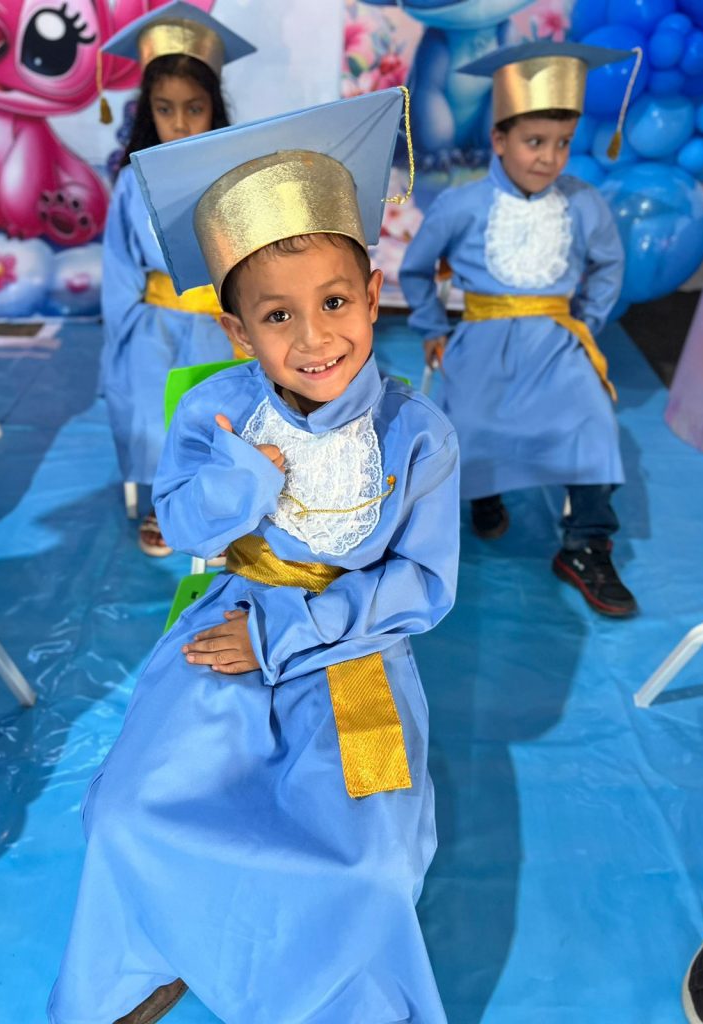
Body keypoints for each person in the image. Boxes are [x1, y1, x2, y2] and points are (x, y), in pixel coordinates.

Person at [48, 88, 460, 1024]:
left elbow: (422, 588)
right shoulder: (215, 409)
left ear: (372, 294)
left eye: (336, 302)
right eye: (276, 317)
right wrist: (246, 470)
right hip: (225, 625)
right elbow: (189, 530)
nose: (315, 338)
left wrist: (286, 635)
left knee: (373, 860)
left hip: (356, 653)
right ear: (238, 332)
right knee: (129, 811)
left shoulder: (419, 432)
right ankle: (151, 956)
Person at [400, 40, 640, 618]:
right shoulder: (462, 205)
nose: (549, 158)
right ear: (500, 140)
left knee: (593, 420)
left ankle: (585, 542)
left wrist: (585, 320)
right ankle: (483, 496)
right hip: (483, 338)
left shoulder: (585, 204)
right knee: (473, 422)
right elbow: (415, 267)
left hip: (557, 343)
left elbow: (608, 264)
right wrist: (433, 326)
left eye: (562, 144)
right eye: (534, 142)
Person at [100, 1, 255, 556]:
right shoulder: (129, 184)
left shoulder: (241, 179)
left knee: (220, 414)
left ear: (214, 107)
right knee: (147, 404)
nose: (181, 122)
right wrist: (118, 344)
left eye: (195, 107)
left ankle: (213, 506)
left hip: (222, 325)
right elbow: (119, 270)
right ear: (149, 111)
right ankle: (163, 502)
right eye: (166, 109)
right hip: (155, 327)